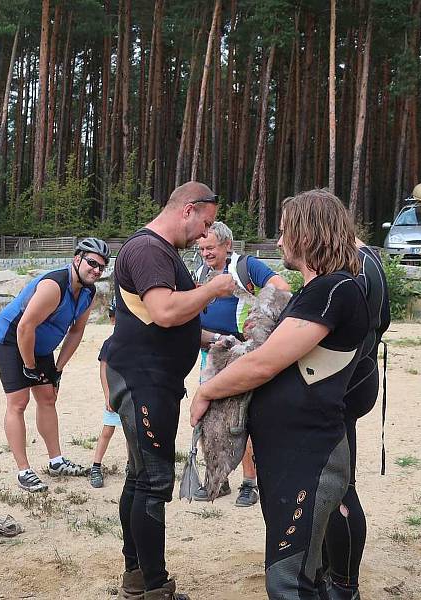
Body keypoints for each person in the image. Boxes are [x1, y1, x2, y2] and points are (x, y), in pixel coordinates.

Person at [190, 189, 370, 599]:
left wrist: (207, 391)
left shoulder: (334, 290)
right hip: (292, 453)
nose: (279, 240)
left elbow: (264, 363)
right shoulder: (318, 290)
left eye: (286, 230)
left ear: (308, 234)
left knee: (289, 582)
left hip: (310, 455)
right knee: (298, 573)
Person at [105, 181, 236, 600]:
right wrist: (214, 288)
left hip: (147, 378)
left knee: (139, 477)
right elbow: (163, 311)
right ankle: (154, 587)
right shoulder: (148, 250)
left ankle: (137, 576)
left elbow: (160, 317)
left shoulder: (160, 252)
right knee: (153, 483)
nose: (204, 235)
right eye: (206, 223)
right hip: (145, 382)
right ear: (188, 209)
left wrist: (213, 338)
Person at [0, 237, 110, 493]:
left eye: (102, 266)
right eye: (92, 263)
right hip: (12, 338)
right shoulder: (54, 286)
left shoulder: (88, 292)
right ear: (77, 259)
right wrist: (30, 367)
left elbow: (76, 333)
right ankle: (24, 470)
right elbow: (24, 327)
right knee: (18, 402)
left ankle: (56, 461)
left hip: (38, 343)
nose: (96, 270)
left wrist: (58, 369)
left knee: (47, 397)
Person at [192, 221, 290, 507]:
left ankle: (249, 483)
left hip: (242, 353)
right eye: (201, 248)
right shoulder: (200, 271)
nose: (205, 253)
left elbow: (281, 287)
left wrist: (259, 316)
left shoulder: (246, 265)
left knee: (240, 416)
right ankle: (217, 479)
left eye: (210, 248)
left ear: (227, 245)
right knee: (210, 415)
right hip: (210, 353)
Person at [322, 239, 390, 600]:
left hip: (347, 384)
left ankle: (345, 586)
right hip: (361, 376)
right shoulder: (369, 259)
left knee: (340, 488)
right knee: (332, 484)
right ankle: (329, 574)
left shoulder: (354, 266)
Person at [89, 300, 120, 489]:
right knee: (108, 429)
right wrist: (108, 395)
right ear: (112, 320)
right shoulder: (110, 344)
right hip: (115, 394)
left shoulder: (136, 342)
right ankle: (96, 466)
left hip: (131, 395)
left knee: (131, 433)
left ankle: (130, 466)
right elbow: (103, 370)